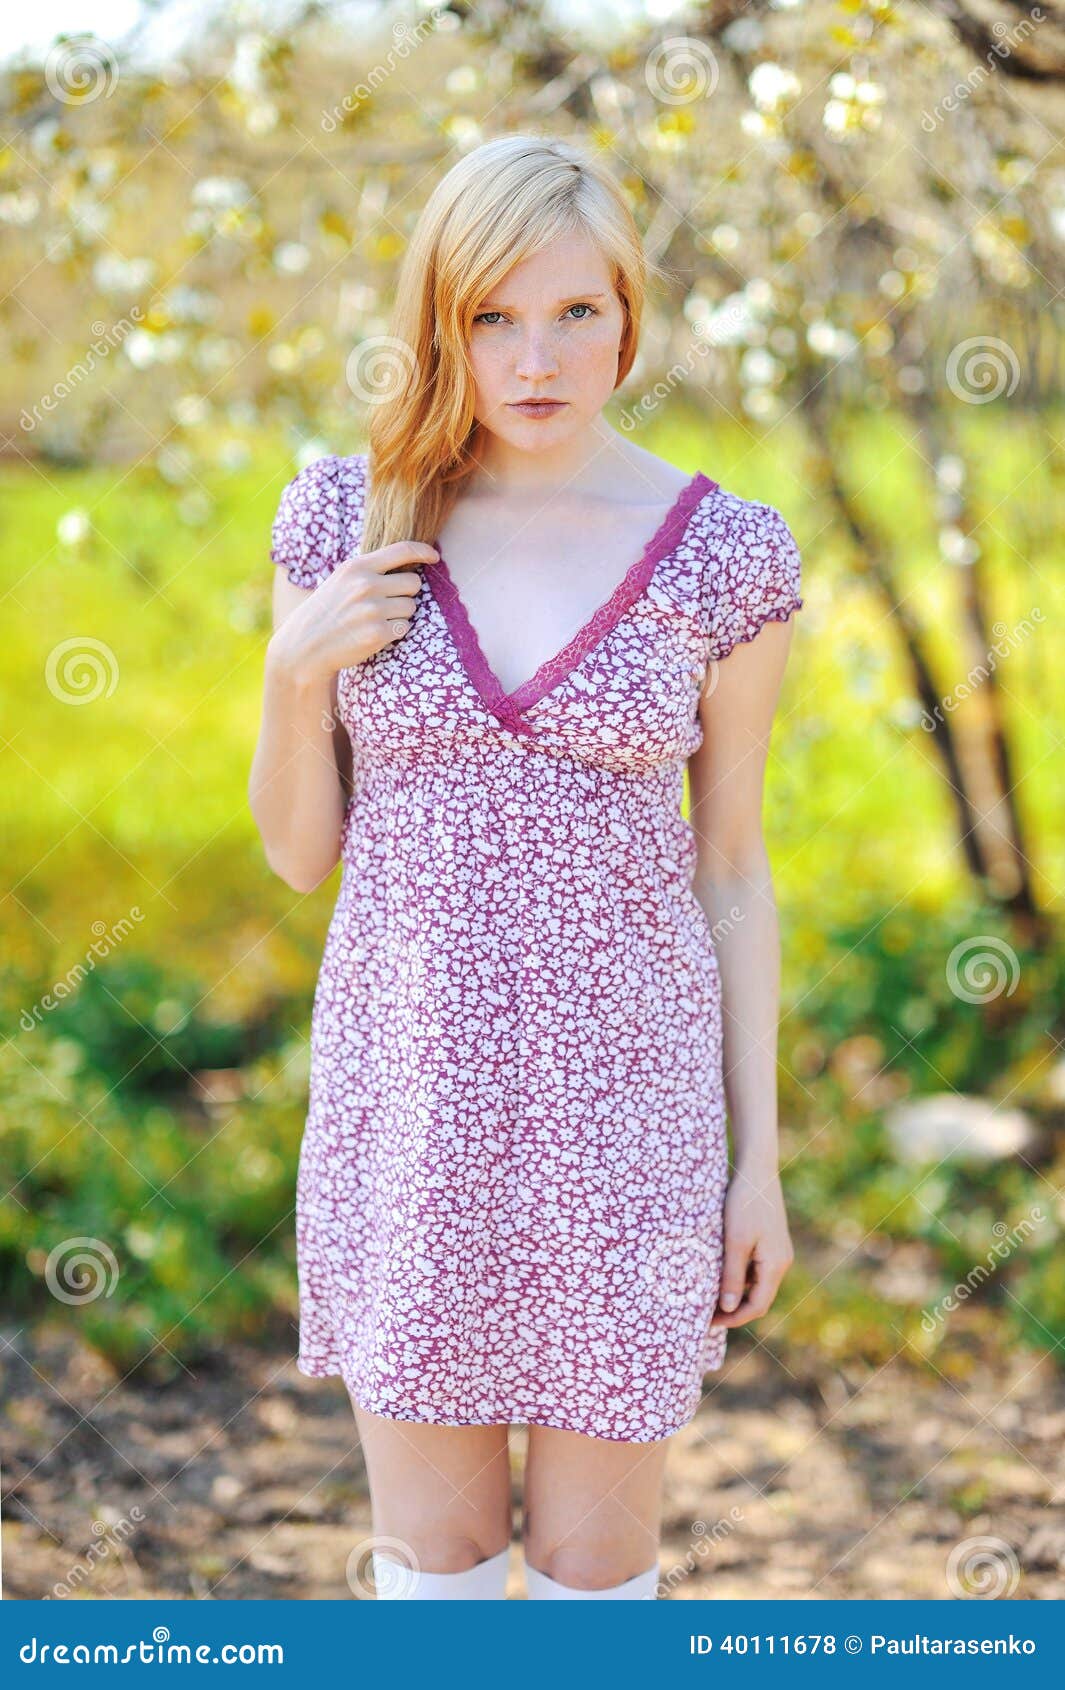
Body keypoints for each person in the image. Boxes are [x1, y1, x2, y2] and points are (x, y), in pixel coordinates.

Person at [249, 132, 802, 1601]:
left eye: (575, 312)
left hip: (628, 1126)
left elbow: (733, 868)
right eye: (492, 316)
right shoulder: (345, 520)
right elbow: (302, 857)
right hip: (412, 1112)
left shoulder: (723, 557)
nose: (535, 357)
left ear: (632, 313)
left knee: (590, 1571)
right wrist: (290, 672)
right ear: (440, 322)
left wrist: (760, 1160)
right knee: (432, 1569)